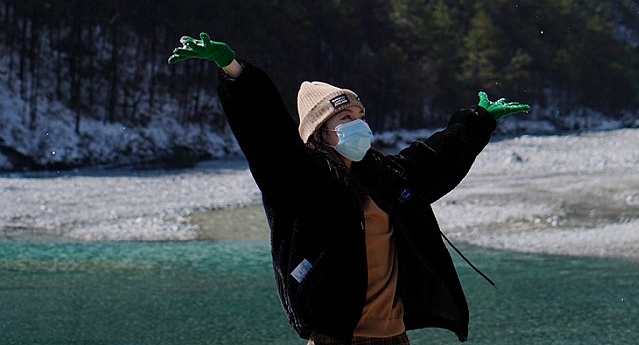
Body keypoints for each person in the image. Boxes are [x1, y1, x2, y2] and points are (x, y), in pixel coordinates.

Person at [169, 31, 530, 344]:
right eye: (345, 117)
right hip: (335, 338)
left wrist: (478, 120)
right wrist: (234, 70)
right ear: (319, 133)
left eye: (360, 116)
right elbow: (268, 131)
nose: (359, 124)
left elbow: (437, 157)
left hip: (393, 337)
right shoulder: (300, 180)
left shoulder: (386, 175)